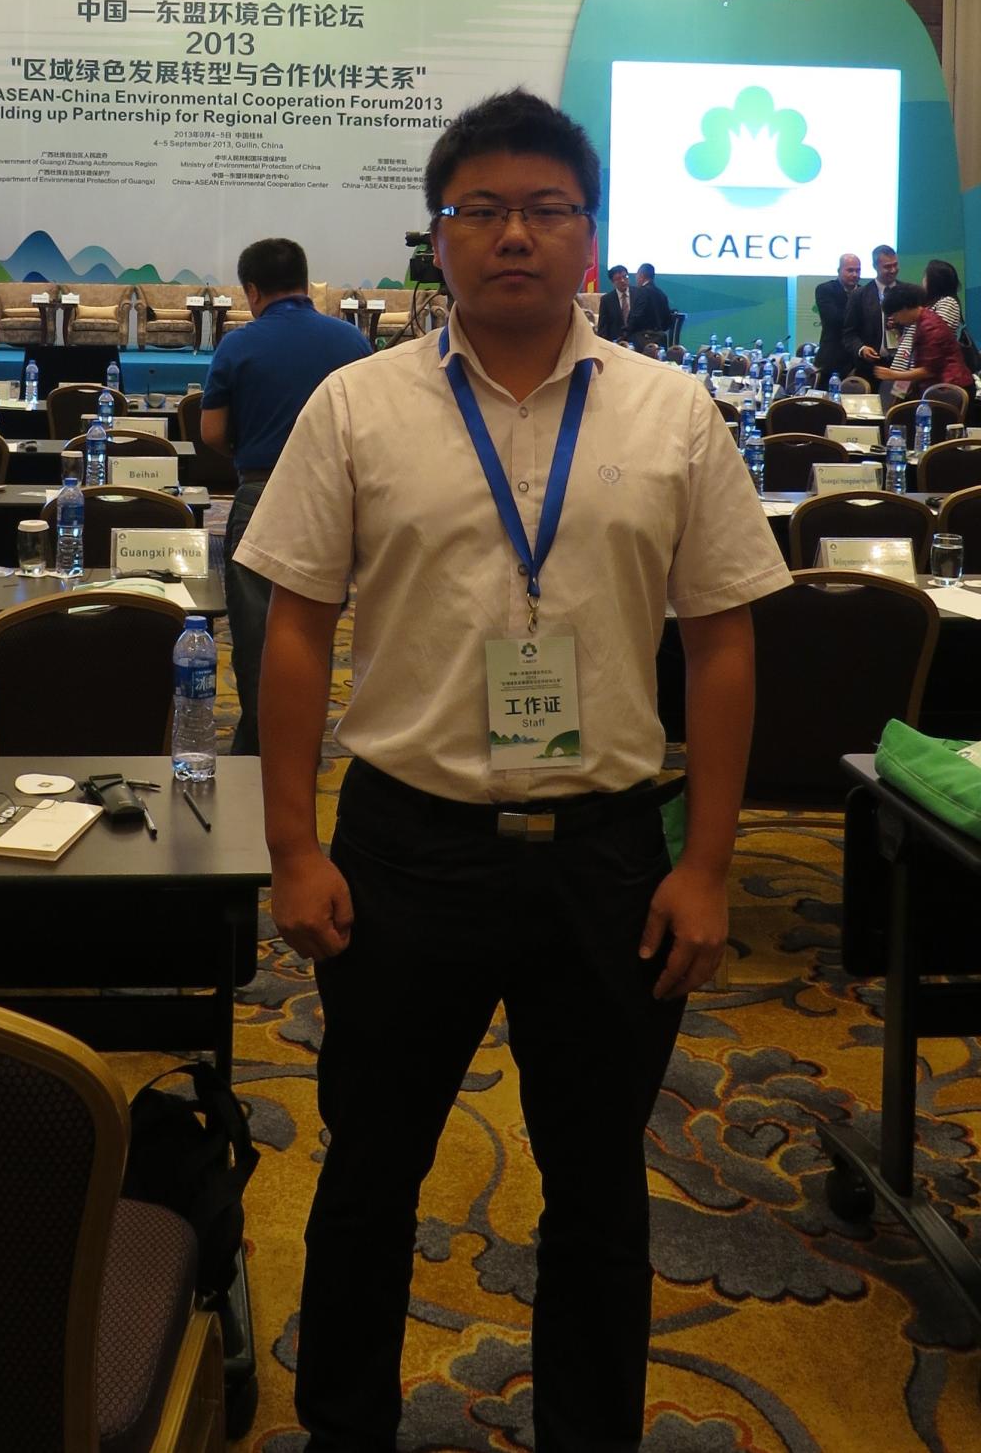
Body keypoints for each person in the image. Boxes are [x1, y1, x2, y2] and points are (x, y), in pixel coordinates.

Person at [236, 90, 791, 1453]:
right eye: (479, 209)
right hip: (405, 849)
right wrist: (294, 847)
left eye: (546, 208)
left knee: (599, 1185)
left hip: (608, 858)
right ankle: (346, 1424)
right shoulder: (357, 406)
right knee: (371, 1170)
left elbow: (723, 643)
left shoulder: (672, 412)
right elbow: (296, 627)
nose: (514, 234)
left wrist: (707, 864)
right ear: (437, 238)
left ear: (589, 235)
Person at [200, 236, 369, 755]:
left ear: (252, 291)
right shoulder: (352, 342)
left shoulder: (237, 345)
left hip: (260, 493)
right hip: (332, 503)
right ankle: (306, 744)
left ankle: (260, 749)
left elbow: (211, 432)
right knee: (316, 633)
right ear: (305, 281)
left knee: (258, 639)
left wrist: (245, 449)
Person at [873, 280, 975, 402]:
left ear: (904, 309)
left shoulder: (930, 326)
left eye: (895, 315)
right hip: (941, 388)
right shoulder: (922, 321)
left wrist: (893, 375)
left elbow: (928, 371)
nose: (895, 320)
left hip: (951, 390)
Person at [842, 243, 899, 383]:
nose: (893, 270)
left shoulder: (909, 293)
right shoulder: (859, 295)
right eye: (887, 267)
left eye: (895, 265)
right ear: (875, 266)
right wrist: (861, 349)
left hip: (901, 367)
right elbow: (849, 334)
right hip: (869, 368)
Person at [814, 252, 861, 382]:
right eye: (850, 270)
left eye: (858, 270)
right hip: (831, 359)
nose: (855, 274)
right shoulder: (825, 289)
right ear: (839, 270)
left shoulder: (865, 293)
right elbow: (834, 320)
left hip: (857, 360)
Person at [596, 262, 639, 340]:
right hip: (616, 340)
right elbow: (603, 326)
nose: (622, 280)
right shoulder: (606, 300)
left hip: (637, 339)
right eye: (618, 279)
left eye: (625, 277)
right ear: (613, 282)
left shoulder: (639, 293)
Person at [630, 261, 673, 341]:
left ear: (641, 275)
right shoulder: (662, 294)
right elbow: (667, 321)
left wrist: (625, 333)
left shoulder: (641, 292)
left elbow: (636, 317)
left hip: (643, 340)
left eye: (637, 275)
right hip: (660, 339)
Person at [922, 258, 963, 330]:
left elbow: (936, 331)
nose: (923, 280)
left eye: (926, 276)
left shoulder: (949, 302)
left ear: (934, 281)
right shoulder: (928, 304)